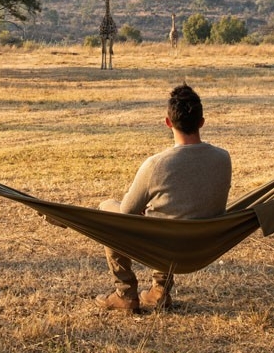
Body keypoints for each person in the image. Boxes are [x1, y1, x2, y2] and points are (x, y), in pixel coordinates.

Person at [95, 83, 232, 312]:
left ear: (168, 123)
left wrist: (145, 208)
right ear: (202, 122)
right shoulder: (223, 158)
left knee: (108, 208)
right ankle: (160, 291)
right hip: (202, 246)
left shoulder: (156, 164)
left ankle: (125, 293)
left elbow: (127, 212)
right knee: (169, 212)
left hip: (161, 247)